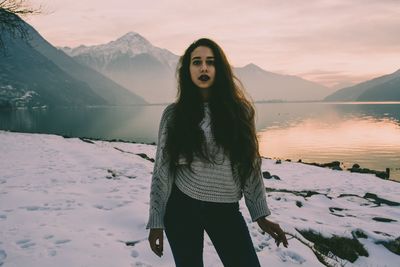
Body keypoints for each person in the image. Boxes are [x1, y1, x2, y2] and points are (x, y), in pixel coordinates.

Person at [146, 37, 288, 267]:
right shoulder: (173, 115)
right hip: (182, 207)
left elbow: (250, 166)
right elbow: (162, 171)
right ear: (187, 70)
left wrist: (261, 216)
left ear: (218, 69)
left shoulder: (240, 112)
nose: (203, 67)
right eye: (196, 62)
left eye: (210, 62)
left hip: (225, 209)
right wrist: (156, 222)